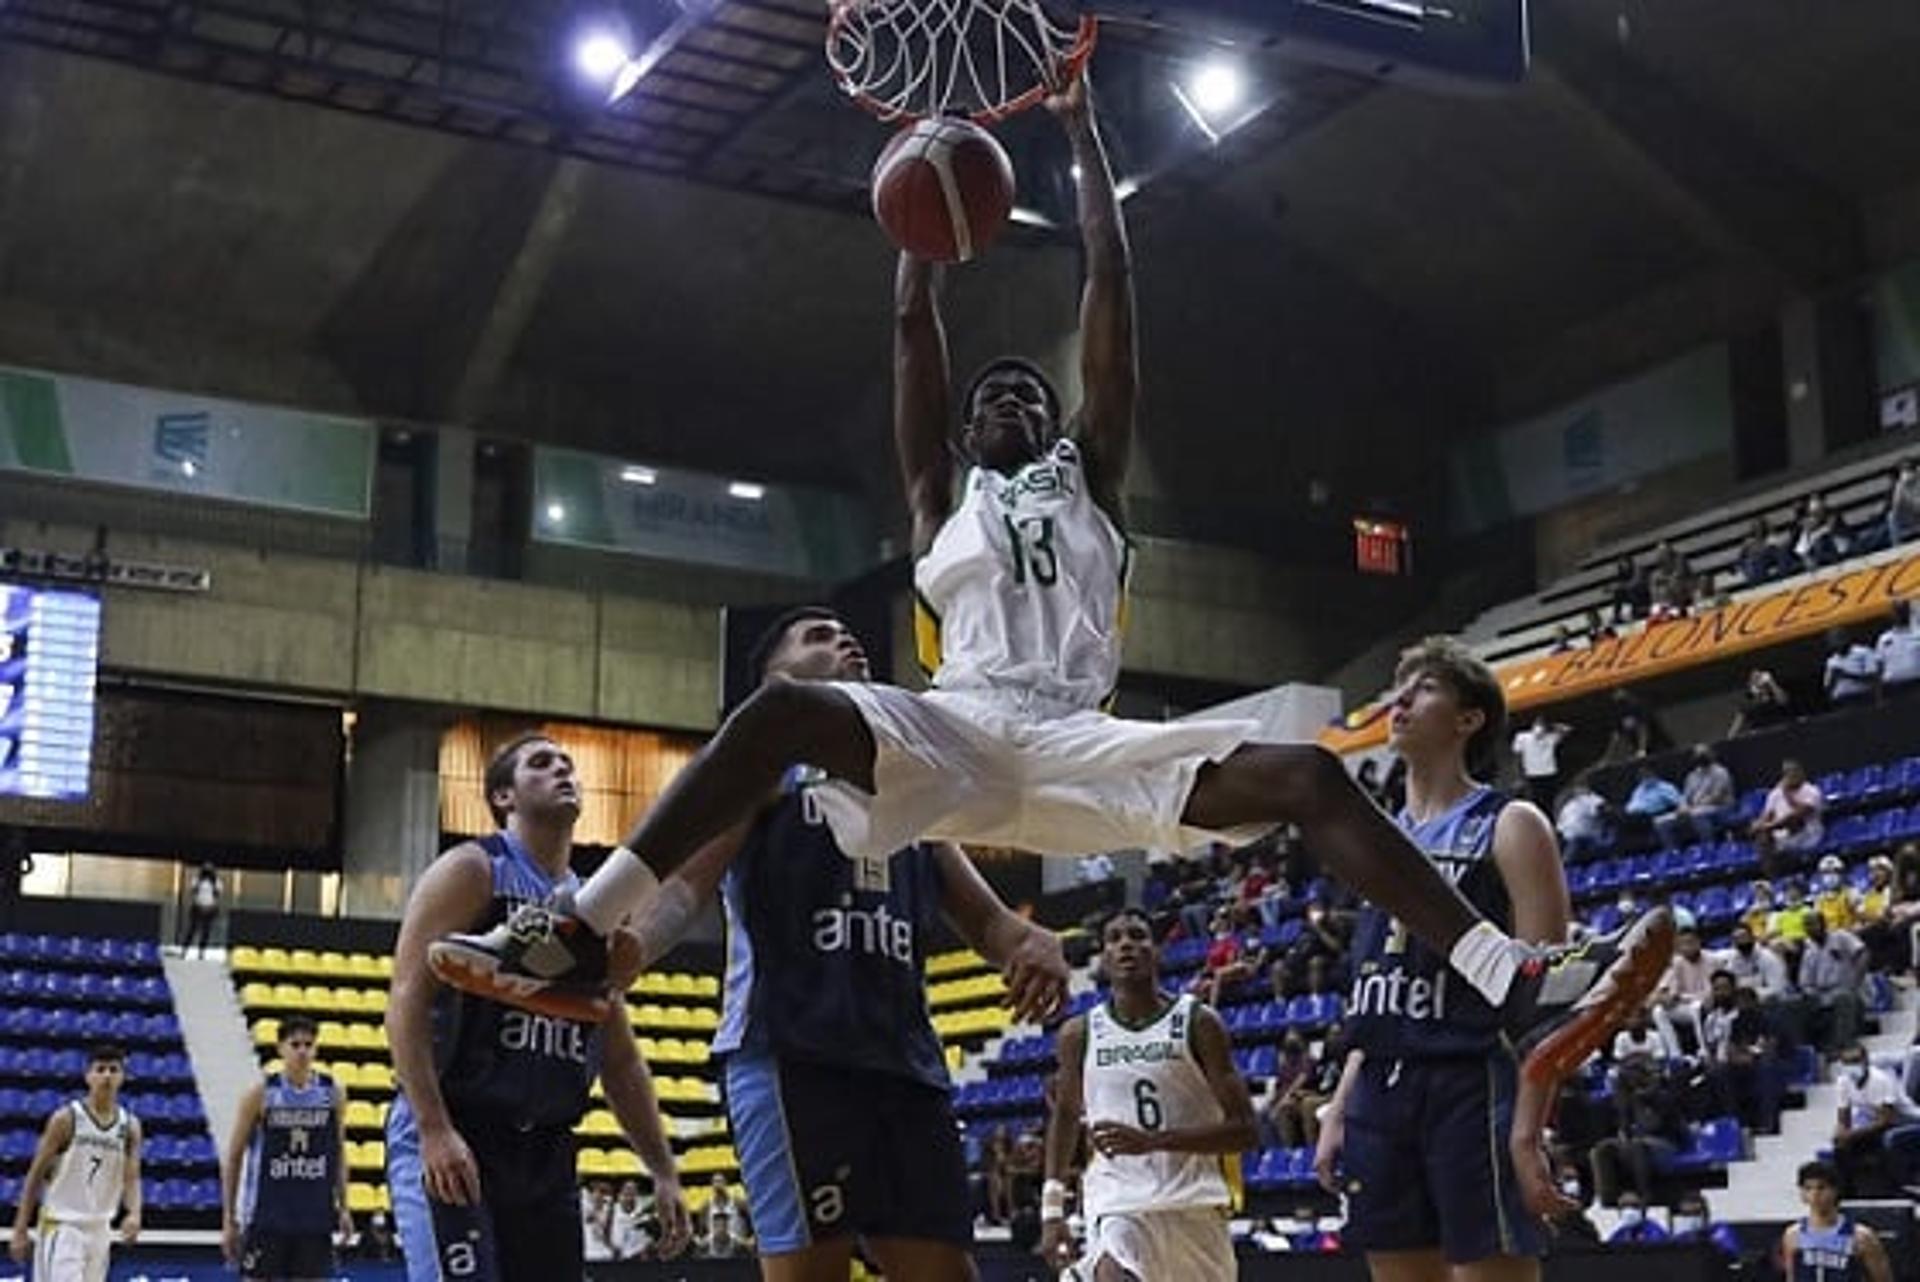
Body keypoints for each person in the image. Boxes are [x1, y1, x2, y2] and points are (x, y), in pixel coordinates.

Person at [428, 78, 1674, 1108]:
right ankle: (582, 933)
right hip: (959, 723)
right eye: (992, 397)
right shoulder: (939, 500)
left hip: (1080, 731)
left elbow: (1109, 288)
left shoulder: (1098, 480)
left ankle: (1506, 973)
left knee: (1306, 776)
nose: (1009, 399)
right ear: (967, 433)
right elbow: (915, 328)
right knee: (781, 715)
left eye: (1030, 391)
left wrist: (1081, 130)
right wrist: (918, 206)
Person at [614, 607, 1070, 1281]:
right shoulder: (763, 771)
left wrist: (1032, 942)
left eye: (843, 629)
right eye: (816, 636)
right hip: (792, 1054)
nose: (843, 637)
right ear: (776, 677)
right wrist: (630, 950)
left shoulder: (912, 788)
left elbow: (991, 923)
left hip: (905, 1065)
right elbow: (686, 886)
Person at [384, 733, 690, 1282]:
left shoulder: (596, 912)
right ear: (504, 797)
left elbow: (618, 1058)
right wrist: (433, 1128)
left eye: (568, 764)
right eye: (542, 764)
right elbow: (406, 997)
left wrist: (662, 1168)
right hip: (463, 1125)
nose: (563, 771)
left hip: (546, 1152)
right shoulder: (474, 870)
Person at [1314, 638, 1574, 1282]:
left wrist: (1528, 1128)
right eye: (1399, 687)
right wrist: (1341, 1105)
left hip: (1472, 1077)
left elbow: (1548, 997)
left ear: (1468, 719)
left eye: (1424, 687)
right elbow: (1374, 989)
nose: (1400, 700)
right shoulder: (1373, 839)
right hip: (1381, 1083)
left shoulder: (1510, 822)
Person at [1039, 909, 1256, 1279]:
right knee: (1112, 1270)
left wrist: (1153, 1142)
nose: (1126, 945)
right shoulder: (1079, 1033)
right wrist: (1052, 1209)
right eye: (1115, 938)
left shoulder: (1199, 1023)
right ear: (1104, 958)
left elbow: (1246, 1131)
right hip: (1119, 1201)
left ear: (1156, 951)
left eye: (1138, 936)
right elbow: (1064, 1117)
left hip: (1194, 1203)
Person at [222, 1015, 353, 1281]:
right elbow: (234, 1157)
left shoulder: (332, 1093)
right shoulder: (261, 1094)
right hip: (266, 1216)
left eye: (308, 1044)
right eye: (295, 1044)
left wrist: (344, 1206)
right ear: (280, 1048)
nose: (303, 1051)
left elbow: (337, 1152)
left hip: (313, 1216)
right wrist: (229, 1218)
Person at [7, 1044, 142, 1282]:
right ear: (88, 1076)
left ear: (122, 1077)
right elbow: (36, 1175)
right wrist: (20, 1228)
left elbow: (131, 1177)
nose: (107, 1076)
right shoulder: (66, 1119)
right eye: (100, 1069)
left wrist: (134, 1213)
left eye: (114, 1070)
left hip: (100, 1228)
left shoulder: (129, 1126)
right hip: (63, 1225)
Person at [1589, 1057, 1688, 1208]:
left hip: (1667, 1143)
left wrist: (1642, 1100)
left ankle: (1644, 1196)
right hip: (1637, 1141)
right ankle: (1608, 1200)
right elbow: (1623, 1129)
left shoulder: (1661, 1096)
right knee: (1602, 1148)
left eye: (1632, 1075)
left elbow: (1654, 1126)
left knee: (1637, 1145)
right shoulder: (1625, 1100)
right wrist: (1624, 1115)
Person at [1782, 1160, 1893, 1282]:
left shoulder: (1861, 1237)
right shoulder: (1793, 1235)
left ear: (1835, 1190)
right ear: (1802, 1193)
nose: (1815, 1194)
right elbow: (1791, 1277)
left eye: (1821, 1188)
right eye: (1808, 1188)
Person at [1831, 1044, 1919, 1196]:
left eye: (1855, 1061)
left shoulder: (1881, 1080)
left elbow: (1885, 1120)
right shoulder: (1843, 1082)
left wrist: (1852, 1134)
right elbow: (1843, 1116)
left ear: (1865, 1061)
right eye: (1847, 1062)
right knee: (1840, 1145)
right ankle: (1847, 1193)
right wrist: (1841, 1132)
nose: (1851, 1066)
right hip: (1873, 1121)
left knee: (1889, 1140)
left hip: (1904, 1121)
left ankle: (1901, 1189)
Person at [1752, 760, 1825, 876]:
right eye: (1787, 773)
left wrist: (1786, 793)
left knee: (1791, 823)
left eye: (1794, 772)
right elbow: (1766, 816)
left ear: (1801, 773)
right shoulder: (1775, 793)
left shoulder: (1811, 790)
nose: (1791, 776)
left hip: (1807, 834)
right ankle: (1772, 878)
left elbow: (1798, 814)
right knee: (1762, 837)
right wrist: (1759, 825)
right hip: (1783, 836)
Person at [1657, 747, 1736, 850]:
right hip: (1693, 809)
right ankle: (1673, 853)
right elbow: (1685, 797)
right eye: (1698, 755)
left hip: (1720, 808)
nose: (1701, 757)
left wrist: (1693, 808)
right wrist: (1682, 807)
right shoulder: (1692, 776)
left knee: (1698, 814)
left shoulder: (1721, 772)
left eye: (1703, 754)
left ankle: (1708, 848)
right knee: (1660, 822)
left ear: (1711, 755)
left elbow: (1716, 797)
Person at [1510, 714, 1571, 812]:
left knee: (1549, 803)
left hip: (1549, 774)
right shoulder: (1522, 737)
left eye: (1542, 724)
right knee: (1535, 804)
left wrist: (1552, 726)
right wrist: (1518, 776)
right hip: (1532, 775)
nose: (1540, 727)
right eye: (1538, 723)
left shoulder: (1551, 737)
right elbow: (1517, 757)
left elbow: (1567, 729)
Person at [1555, 777, 1611, 862]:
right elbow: (1559, 826)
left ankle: (1567, 865)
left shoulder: (1591, 798)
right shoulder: (1568, 805)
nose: (1579, 789)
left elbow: (1605, 809)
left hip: (1587, 840)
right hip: (1567, 839)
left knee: (1574, 847)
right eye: (1577, 787)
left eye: (1582, 786)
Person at [1823, 629, 1882, 708]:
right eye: (1834, 641)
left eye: (1840, 639)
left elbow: (1872, 678)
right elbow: (1827, 689)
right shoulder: (1831, 661)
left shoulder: (1863, 652)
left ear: (1846, 639)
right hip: (1842, 701)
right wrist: (1833, 679)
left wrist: (1846, 675)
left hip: (1862, 697)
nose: (1837, 644)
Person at [1729, 668, 1794, 738]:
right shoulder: (1747, 702)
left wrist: (1771, 682)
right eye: (1755, 678)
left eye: (1759, 677)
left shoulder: (1775, 695)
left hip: (1780, 730)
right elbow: (1732, 733)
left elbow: (1783, 700)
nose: (1758, 680)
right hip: (1760, 736)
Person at [1874, 601, 1920, 697]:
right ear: (1893, 615)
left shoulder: (1918, 634)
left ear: (1908, 612)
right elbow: (1879, 668)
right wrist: (1879, 696)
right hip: (1894, 690)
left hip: (1916, 685)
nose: (1900, 615)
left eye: (1903, 611)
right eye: (1898, 612)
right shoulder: (1884, 639)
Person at [181, 861, 221, 956]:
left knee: (206, 931)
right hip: (197, 907)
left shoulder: (216, 882)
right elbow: (193, 892)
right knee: (192, 930)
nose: (207, 873)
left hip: (209, 908)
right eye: (206, 870)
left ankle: (201, 951)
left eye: (209, 871)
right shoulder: (197, 880)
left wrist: (211, 905)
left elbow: (217, 894)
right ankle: (185, 950)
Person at [1888, 460, 1920, 548]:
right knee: (1890, 518)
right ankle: (1897, 548)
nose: (1908, 473)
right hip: (1911, 519)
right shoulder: (1900, 486)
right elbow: (1896, 510)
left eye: (1910, 469)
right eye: (1905, 470)